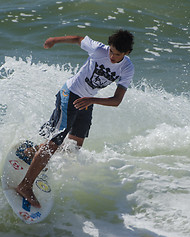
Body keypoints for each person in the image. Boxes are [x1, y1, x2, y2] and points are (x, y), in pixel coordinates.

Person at [16, 29, 135, 208]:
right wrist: (53, 39)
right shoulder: (99, 50)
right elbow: (78, 39)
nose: (111, 56)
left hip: (87, 101)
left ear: (126, 53)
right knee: (55, 141)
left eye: (117, 54)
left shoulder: (127, 68)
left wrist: (91, 100)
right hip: (70, 94)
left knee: (74, 146)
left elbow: (117, 100)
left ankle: (33, 152)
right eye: (111, 51)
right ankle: (24, 185)